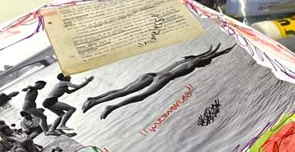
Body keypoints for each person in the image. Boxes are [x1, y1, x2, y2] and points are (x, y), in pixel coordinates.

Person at [82, 44, 233, 119]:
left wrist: (211, 52)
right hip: (164, 77)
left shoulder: (185, 60)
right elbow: (204, 58)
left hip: (150, 75)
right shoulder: (193, 63)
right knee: (142, 96)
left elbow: (202, 55)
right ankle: (112, 107)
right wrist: (222, 52)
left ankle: (94, 100)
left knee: (122, 90)